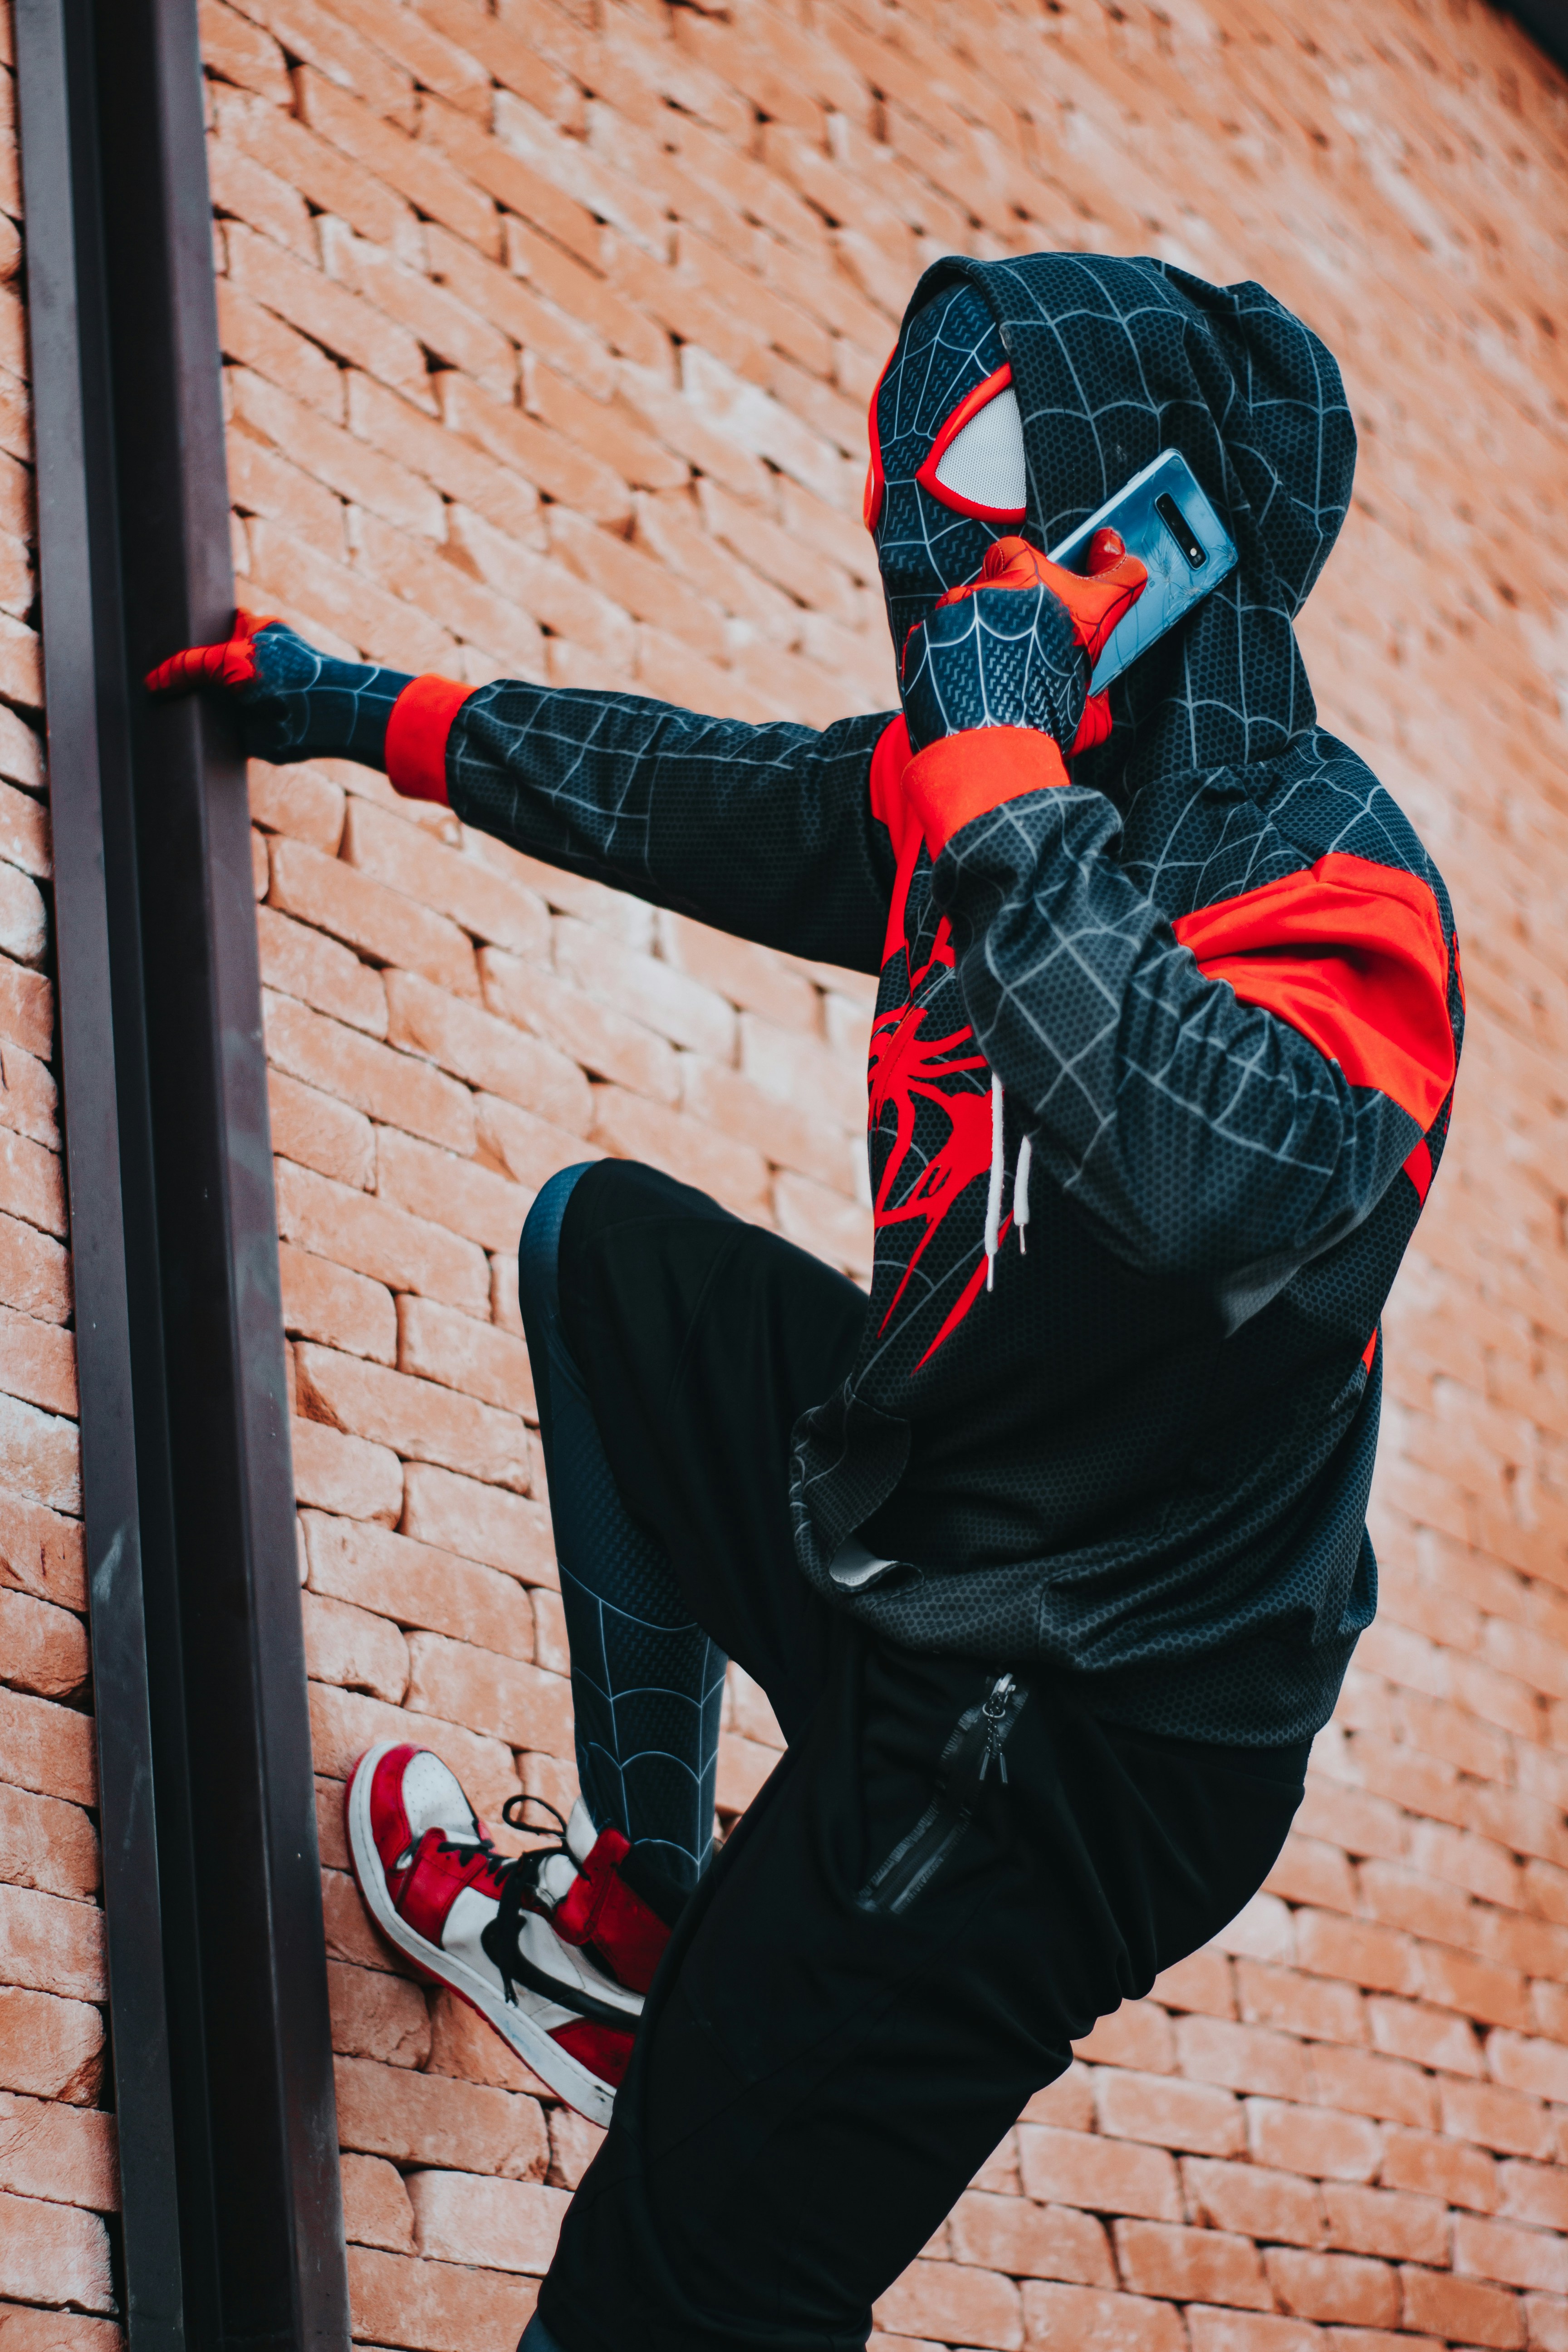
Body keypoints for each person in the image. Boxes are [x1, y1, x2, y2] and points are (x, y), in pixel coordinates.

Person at [150, 253, 1462, 2352]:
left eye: (999, 512)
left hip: (1072, 1750)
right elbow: (684, 787)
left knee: (666, 2301)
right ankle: (645, 1924)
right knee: (614, 1270)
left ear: (1163, 536)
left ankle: (734, 2047)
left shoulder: (1330, 882)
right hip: (929, 1544)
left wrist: (1011, 778)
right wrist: (350, 707)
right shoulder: (976, 782)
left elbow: (1213, 1182)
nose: (931, 564)